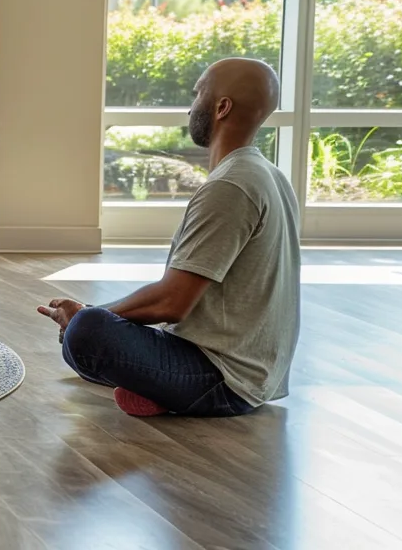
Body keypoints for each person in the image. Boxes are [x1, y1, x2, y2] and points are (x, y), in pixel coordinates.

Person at [37, 58, 299, 418]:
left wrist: (88, 315)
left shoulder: (230, 185)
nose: (191, 107)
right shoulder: (268, 174)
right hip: (255, 376)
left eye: (198, 94)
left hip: (222, 380)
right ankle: (154, 391)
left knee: (86, 331)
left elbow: (171, 303)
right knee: (88, 332)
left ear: (221, 107)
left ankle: (166, 390)